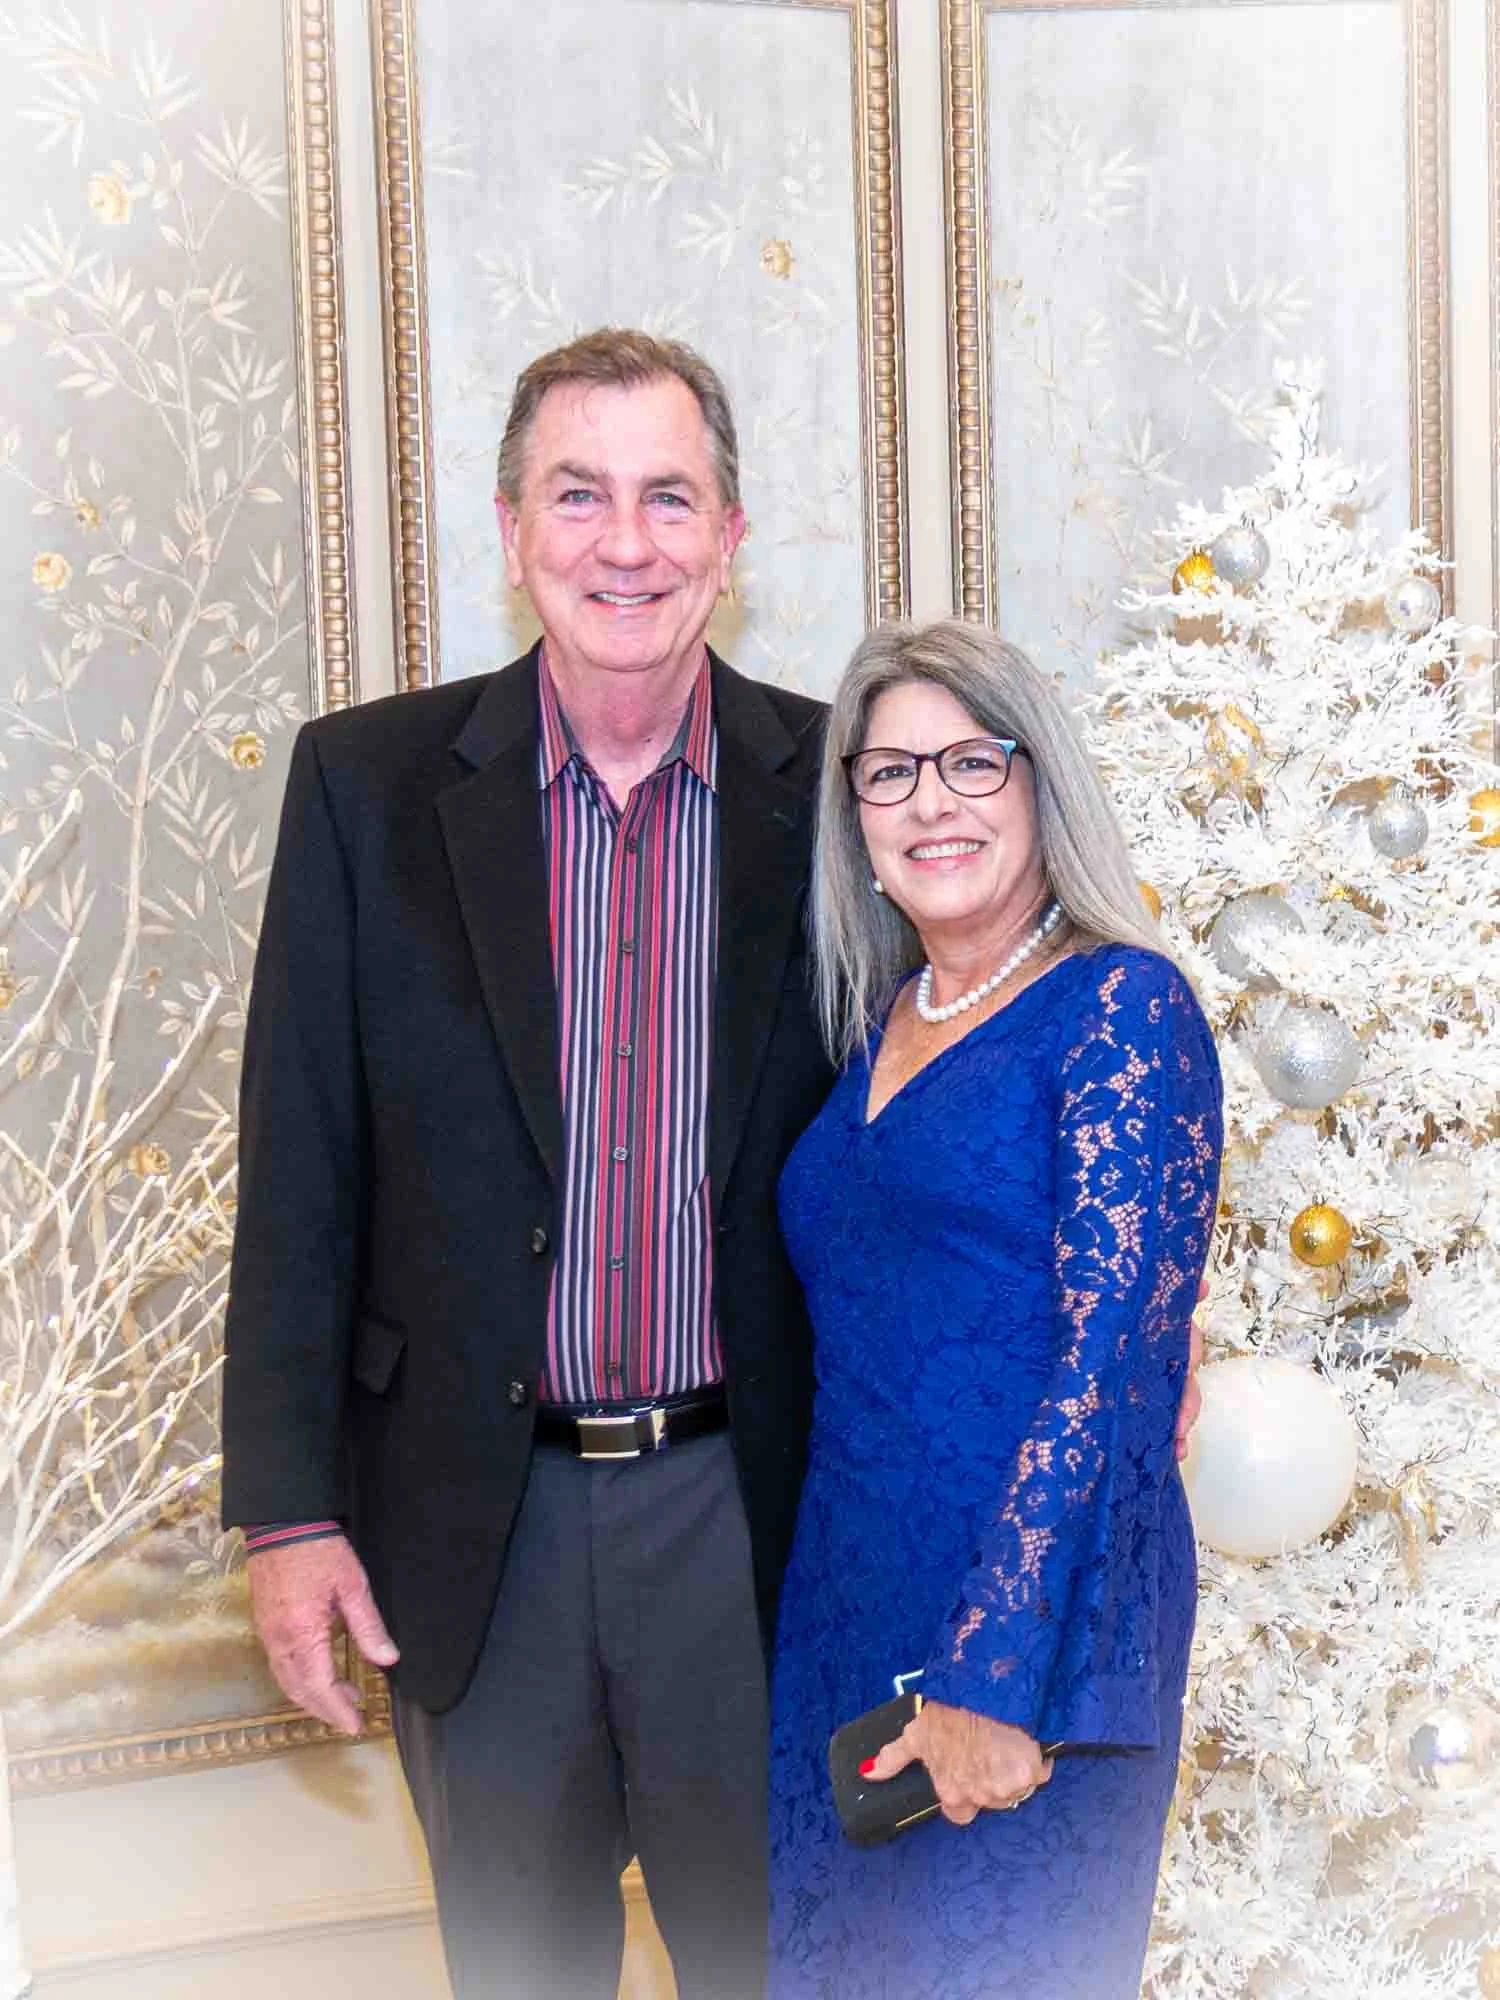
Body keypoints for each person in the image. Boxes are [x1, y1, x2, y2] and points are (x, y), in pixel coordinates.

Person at [219, 329, 835, 2000]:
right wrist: (287, 1514)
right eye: (578, 495)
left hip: (754, 1521)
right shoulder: (364, 787)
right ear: (510, 531)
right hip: (474, 1532)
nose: (624, 543)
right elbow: (299, 1169)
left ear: (730, 538)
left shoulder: (843, 793)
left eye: (668, 498)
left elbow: (939, 1123)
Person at [768, 618, 1223, 2000]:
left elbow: (1107, 1367)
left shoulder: (1119, 1005)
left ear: (1040, 784)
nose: (933, 803)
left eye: (973, 761)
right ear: (855, 817)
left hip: (1029, 1641)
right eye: (890, 773)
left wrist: (994, 1674)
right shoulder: (875, 1022)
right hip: (844, 1625)